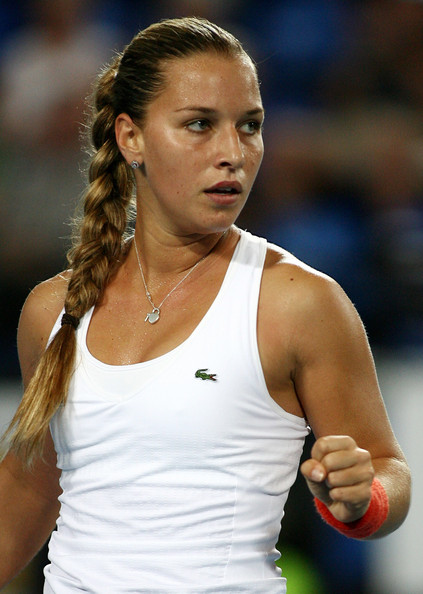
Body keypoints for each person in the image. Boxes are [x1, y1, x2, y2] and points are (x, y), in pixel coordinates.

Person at [0, 16, 410, 594]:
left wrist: (362, 496)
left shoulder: (299, 304)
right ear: (130, 137)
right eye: (199, 124)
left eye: (250, 126)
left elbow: (387, 472)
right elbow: (31, 488)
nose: (233, 153)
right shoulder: (51, 311)